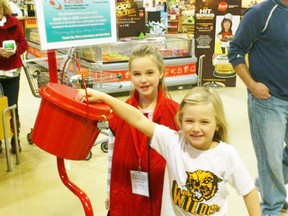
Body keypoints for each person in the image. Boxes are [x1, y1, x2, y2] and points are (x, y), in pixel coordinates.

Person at [77, 87, 261, 215]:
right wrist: (104, 97)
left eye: (204, 122)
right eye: (189, 121)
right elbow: (138, 119)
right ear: (180, 121)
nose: (196, 128)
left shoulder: (227, 155)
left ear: (217, 124)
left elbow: (248, 192)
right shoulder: (173, 141)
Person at [228, 0, 288, 215]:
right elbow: (235, 50)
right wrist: (251, 84)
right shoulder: (261, 13)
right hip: (268, 101)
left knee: (273, 163)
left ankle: (268, 185)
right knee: (269, 157)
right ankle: (271, 207)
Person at [105, 45, 179, 215]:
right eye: (137, 74)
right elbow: (111, 158)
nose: (143, 80)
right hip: (128, 194)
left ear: (161, 73)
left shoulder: (176, 113)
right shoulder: (119, 114)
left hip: (164, 194)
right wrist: (109, 191)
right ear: (130, 75)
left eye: (149, 73)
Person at [0, 0, 28, 153]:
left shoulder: (14, 22)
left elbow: (24, 43)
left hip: (12, 72)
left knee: (12, 106)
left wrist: (15, 50)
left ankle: (14, 139)